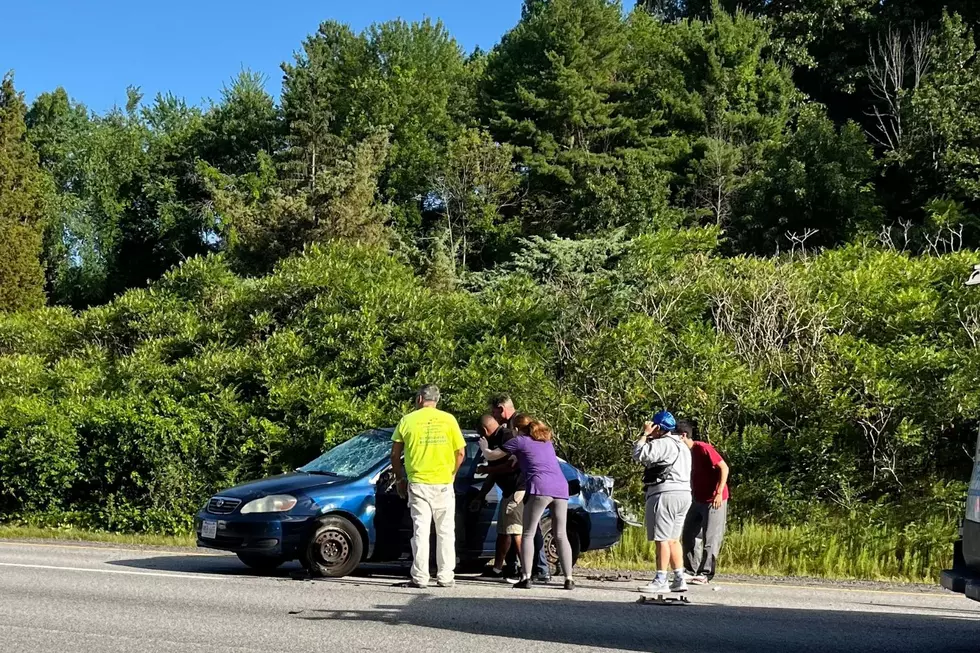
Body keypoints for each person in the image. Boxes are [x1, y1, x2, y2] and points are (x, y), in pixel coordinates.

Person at [480, 415, 575, 590]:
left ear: (516, 429)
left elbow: (492, 456)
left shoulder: (520, 441)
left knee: (528, 533)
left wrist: (484, 448)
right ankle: (568, 579)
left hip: (540, 488)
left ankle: (526, 576)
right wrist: (518, 458)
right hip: (561, 488)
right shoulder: (545, 442)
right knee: (561, 534)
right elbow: (532, 458)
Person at [390, 384, 466, 589]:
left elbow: (395, 454)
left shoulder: (407, 420)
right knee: (445, 531)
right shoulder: (449, 420)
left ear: (419, 400)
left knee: (421, 531)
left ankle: (420, 576)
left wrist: (400, 479)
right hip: (443, 483)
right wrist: (452, 475)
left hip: (418, 483)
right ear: (437, 400)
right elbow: (460, 453)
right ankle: (445, 576)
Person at [488, 394, 552, 583]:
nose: (494, 416)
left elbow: (508, 461)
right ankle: (519, 568)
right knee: (523, 529)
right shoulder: (512, 428)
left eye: (494, 412)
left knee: (527, 530)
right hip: (526, 486)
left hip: (524, 487)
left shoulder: (516, 427)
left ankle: (536, 570)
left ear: (501, 408)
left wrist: (487, 463)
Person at [632, 410, 692, 594]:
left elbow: (639, 454)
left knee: (662, 539)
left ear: (658, 427)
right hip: (684, 494)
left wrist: (644, 434)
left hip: (665, 494)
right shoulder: (682, 445)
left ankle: (661, 578)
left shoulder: (662, 443)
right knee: (674, 539)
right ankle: (679, 577)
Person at [679, 420, 730, 584]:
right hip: (697, 498)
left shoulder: (703, 448)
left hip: (714, 499)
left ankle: (706, 572)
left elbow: (724, 468)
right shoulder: (683, 453)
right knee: (688, 534)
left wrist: (719, 492)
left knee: (711, 537)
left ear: (683, 435)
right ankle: (690, 569)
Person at [474, 414, 524, 580]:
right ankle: (496, 570)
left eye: (480, 433)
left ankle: (526, 570)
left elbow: (511, 466)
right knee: (503, 532)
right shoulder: (493, 441)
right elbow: (493, 473)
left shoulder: (507, 436)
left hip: (517, 490)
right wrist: (480, 496)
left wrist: (486, 469)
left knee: (515, 531)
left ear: (484, 430)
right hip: (507, 492)